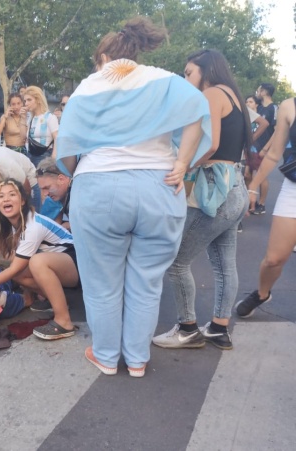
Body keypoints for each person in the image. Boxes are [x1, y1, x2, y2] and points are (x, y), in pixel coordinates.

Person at [57, 17, 212, 377]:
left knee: (102, 281)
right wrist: (183, 161)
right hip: (160, 185)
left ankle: (107, 356)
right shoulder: (163, 79)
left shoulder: (89, 86)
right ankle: (138, 359)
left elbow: (67, 150)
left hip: (99, 187)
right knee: (147, 280)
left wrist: (76, 166)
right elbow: (198, 111)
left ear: (103, 57)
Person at [153, 49, 251, 352]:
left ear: (206, 71)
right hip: (235, 188)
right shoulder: (234, 96)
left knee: (176, 261)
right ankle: (219, 329)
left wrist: (185, 164)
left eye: (188, 72)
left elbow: (211, 144)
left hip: (214, 192)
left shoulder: (211, 93)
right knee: (224, 265)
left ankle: (187, 328)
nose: (186, 78)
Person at [0, 179, 79, 339]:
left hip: (77, 264)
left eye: (12, 194)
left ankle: (64, 322)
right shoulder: (16, 224)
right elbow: (14, 261)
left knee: (35, 263)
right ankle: (57, 300)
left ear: (23, 200)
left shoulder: (33, 224)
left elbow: (15, 267)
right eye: (1, 196)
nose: (6, 199)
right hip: (63, 265)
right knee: (19, 269)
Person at [235, 96, 296, 317]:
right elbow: (274, 153)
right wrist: (253, 187)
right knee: (273, 259)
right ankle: (262, 293)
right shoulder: (290, 106)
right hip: (293, 190)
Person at [251, 83, 276, 215]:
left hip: (266, 147)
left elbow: (277, 131)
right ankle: (253, 201)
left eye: (259, 89)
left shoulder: (273, 109)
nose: (257, 92)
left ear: (264, 92)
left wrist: (267, 148)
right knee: (254, 172)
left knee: (262, 174)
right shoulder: (259, 108)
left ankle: (262, 203)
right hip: (256, 145)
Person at [24, 86, 58, 167]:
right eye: (25, 100)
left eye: (29, 100)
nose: (26, 103)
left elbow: (57, 138)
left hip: (45, 156)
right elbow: (24, 138)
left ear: (38, 99)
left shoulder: (50, 117)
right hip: (30, 155)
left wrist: (54, 157)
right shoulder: (31, 118)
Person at [35, 157, 71, 229]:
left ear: (61, 179)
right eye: (42, 189)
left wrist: (69, 225)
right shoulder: (56, 196)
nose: (45, 194)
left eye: (47, 188)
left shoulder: (79, 196)